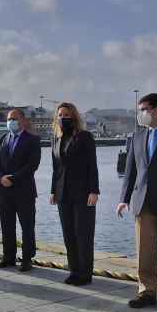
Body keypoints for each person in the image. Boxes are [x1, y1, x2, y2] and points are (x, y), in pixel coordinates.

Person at [118, 93, 157, 312]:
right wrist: (123, 199)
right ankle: (146, 292)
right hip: (143, 204)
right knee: (144, 252)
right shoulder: (138, 135)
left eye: (144, 109)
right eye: (140, 110)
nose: (141, 114)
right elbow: (130, 171)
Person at [50, 102, 99, 286]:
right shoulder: (56, 139)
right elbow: (56, 169)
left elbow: (92, 166)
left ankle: (85, 273)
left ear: (75, 117)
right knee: (68, 233)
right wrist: (53, 191)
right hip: (63, 194)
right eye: (60, 115)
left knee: (83, 233)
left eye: (67, 115)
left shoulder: (85, 137)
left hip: (83, 193)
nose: (63, 118)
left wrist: (94, 191)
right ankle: (74, 270)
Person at [0, 109, 41, 272]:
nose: (11, 121)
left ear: (22, 120)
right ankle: (8, 257)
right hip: (3, 190)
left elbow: (32, 165)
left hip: (24, 190)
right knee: (7, 225)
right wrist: (1, 178)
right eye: (9, 119)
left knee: (27, 226)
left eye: (14, 118)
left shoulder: (32, 140)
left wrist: (12, 178)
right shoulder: (1, 140)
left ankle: (27, 259)